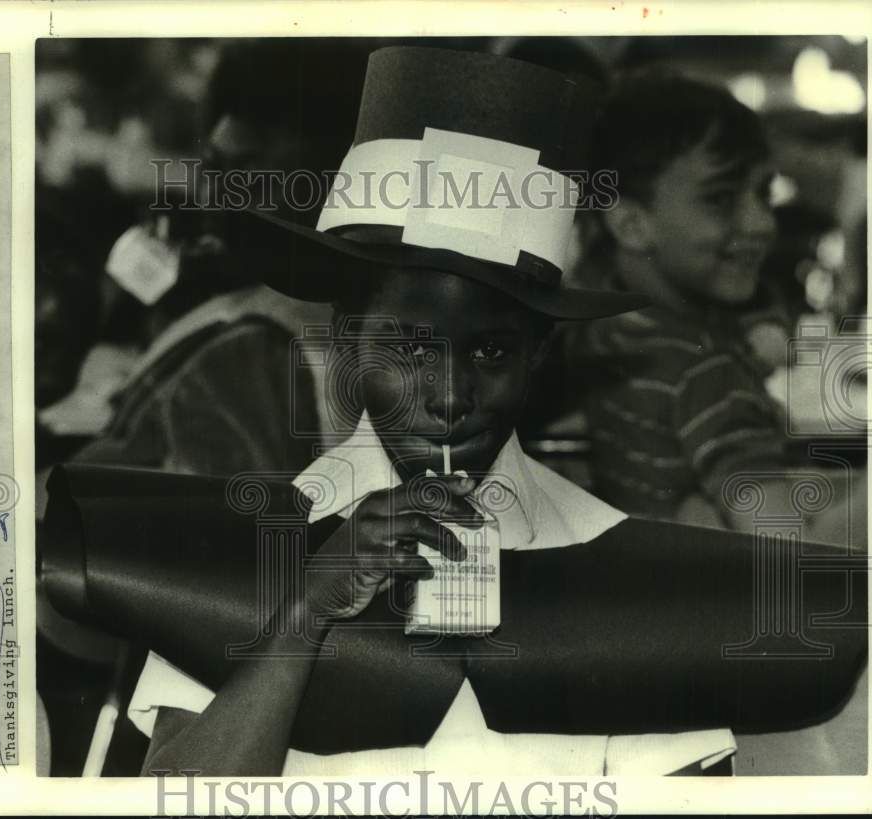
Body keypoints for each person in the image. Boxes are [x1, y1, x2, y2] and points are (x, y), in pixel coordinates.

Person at [126, 46, 750, 778]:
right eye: (413, 350)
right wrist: (305, 612)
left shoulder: (611, 567)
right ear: (350, 333)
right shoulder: (241, 558)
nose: (451, 396)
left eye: (491, 353)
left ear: (538, 355)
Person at [567, 71, 866, 542]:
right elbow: (790, 558)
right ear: (629, 224)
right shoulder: (705, 374)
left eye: (763, 193)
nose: (761, 222)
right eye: (721, 199)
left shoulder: (608, 332)